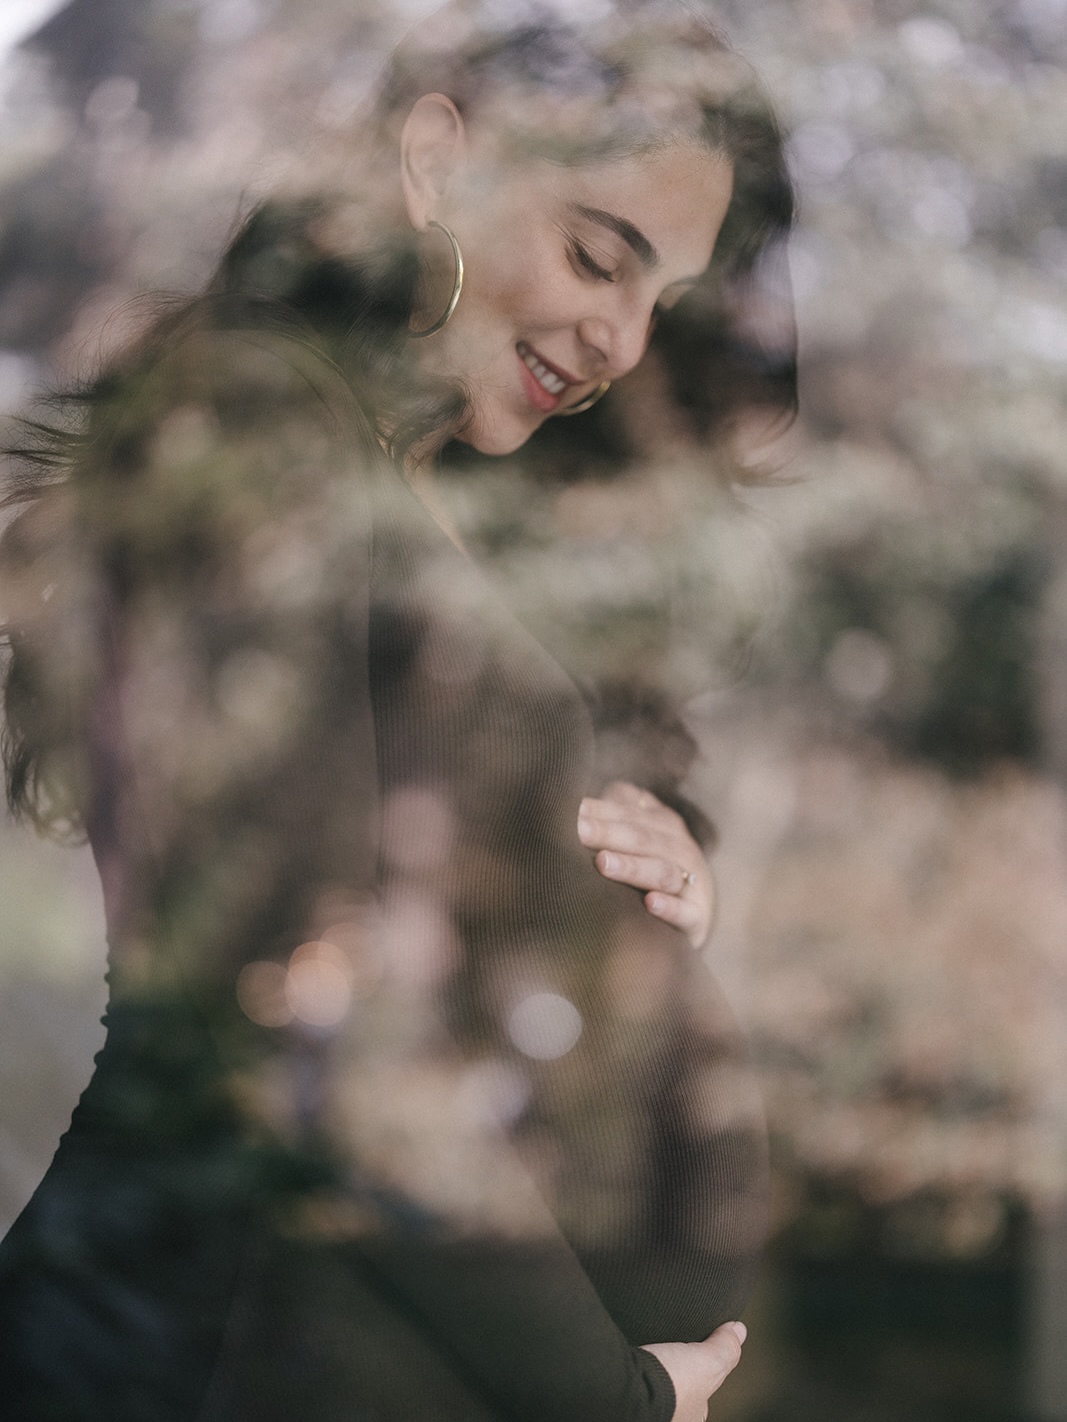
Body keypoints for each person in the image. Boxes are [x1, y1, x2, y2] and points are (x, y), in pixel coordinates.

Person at [0, 1, 796, 1418]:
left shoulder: (440, 494)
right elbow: (307, 1022)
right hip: (203, 1353)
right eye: (596, 255)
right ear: (435, 158)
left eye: (655, 301)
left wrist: (645, 857)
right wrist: (611, 1396)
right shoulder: (262, 433)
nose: (619, 337)